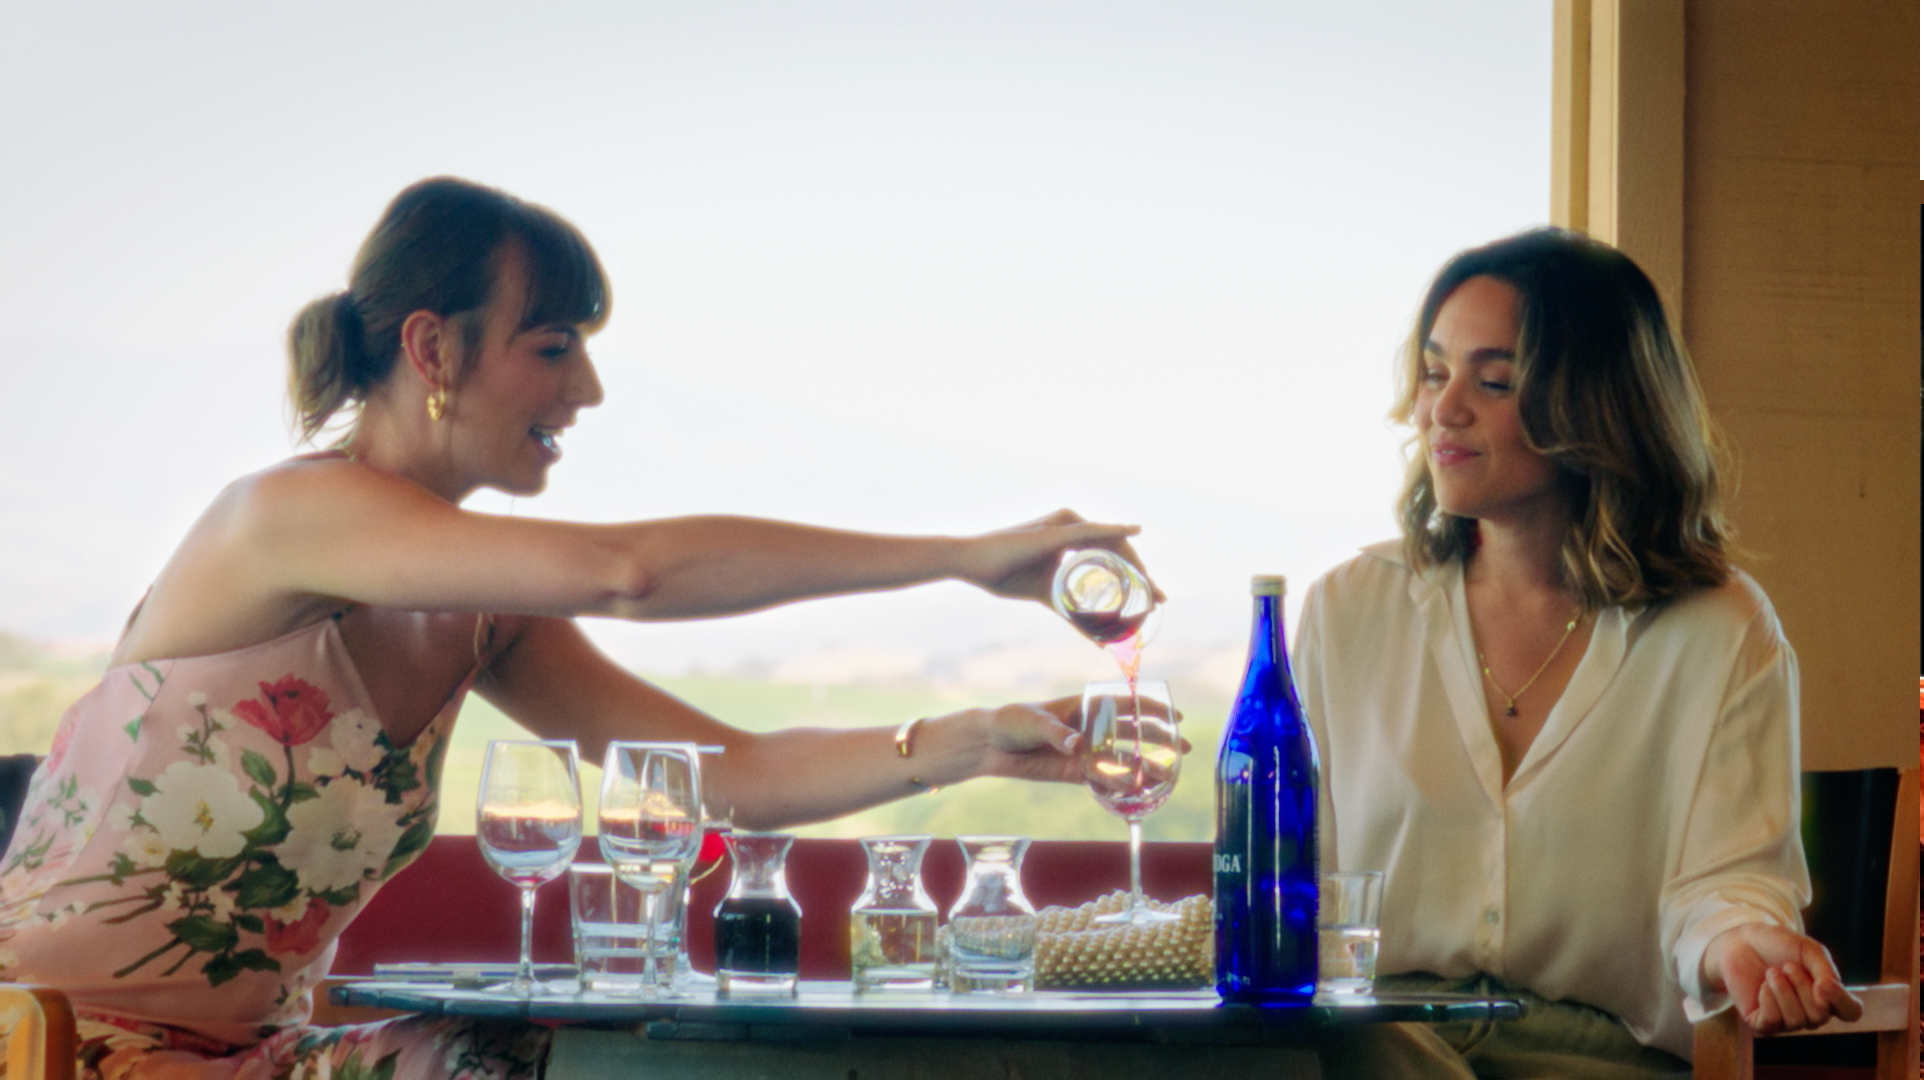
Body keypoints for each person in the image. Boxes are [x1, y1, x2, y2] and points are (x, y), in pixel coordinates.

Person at [0, 176, 1137, 1080]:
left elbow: (719, 777)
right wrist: (962, 557)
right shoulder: (282, 517)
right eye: (552, 347)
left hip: (256, 1061)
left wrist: (966, 742)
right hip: (53, 1049)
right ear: (432, 349)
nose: (585, 389)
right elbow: (628, 573)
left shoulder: (480, 613)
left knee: (596, 1065)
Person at [1296, 228, 1862, 1078]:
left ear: (1594, 405)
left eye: (1493, 381)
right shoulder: (1346, 610)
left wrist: (1744, 945)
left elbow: (1729, 882)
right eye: (1434, 370)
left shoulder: (1721, 629)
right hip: (1382, 1037)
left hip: (1598, 1057)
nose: (1442, 410)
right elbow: (1292, 883)